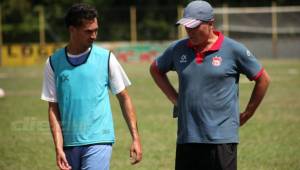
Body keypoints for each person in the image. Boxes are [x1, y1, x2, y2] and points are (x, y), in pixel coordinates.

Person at [150, 1, 270, 170]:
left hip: (222, 138)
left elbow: (263, 79)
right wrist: (176, 99)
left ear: (211, 24)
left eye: (194, 26)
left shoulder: (233, 49)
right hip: (188, 137)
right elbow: (155, 69)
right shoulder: (177, 49)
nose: (189, 31)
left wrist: (248, 113)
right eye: (186, 26)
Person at [41, 3, 142, 170]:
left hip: (99, 140)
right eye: (88, 31)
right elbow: (53, 108)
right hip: (69, 143)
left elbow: (124, 98)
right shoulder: (53, 63)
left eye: (96, 30)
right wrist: (58, 147)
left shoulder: (106, 58)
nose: (94, 35)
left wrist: (136, 137)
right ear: (72, 30)